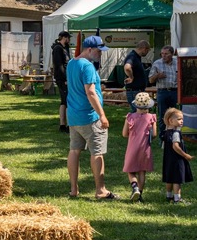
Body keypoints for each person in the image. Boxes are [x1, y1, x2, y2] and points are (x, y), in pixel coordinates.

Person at [67, 35, 118, 200]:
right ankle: (100, 190)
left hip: (73, 116)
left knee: (74, 151)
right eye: (98, 50)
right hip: (89, 116)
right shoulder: (87, 66)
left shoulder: (71, 63)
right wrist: (102, 115)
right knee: (97, 152)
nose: (101, 53)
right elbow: (90, 92)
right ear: (89, 49)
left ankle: (74, 189)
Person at [122, 92, 157, 203]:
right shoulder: (151, 117)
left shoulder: (130, 117)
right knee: (142, 171)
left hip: (132, 147)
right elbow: (155, 134)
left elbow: (124, 134)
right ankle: (140, 195)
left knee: (131, 171)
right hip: (145, 148)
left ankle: (135, 187)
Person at [162, 108, 193, 204]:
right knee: (177, 179)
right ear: (171, 121)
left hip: (168, 159)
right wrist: (185, 155)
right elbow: (175, 146)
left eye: (182, 119)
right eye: (179, 119)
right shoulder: (176, 133)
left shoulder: (166, 133)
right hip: (177, 159)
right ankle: (177, 199)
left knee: (169, 178)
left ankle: (169, 195)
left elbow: (164, 146)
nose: (182, 121)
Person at [149, 45, 178, 139]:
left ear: (172, 54)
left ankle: (175, 136)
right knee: (162, 115)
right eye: (162, 54)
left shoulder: (178, 62)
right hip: (162, 92)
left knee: (176, 114)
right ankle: (163, 138)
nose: (163, 56)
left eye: (166, 54)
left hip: (175, 92)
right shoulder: (157, 63)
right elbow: (150, 80)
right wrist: (157, 76)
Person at [52, 31, 72, 133]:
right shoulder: (58, 49)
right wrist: (65, 79)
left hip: (66, 77)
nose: (69, 40)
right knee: (68, 101)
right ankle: (67, 125)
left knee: (64, 101)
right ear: (64, 37)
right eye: (68, 38)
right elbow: (59, 65)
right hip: (62, 79)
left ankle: (63, 125)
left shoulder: (65, 48)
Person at [123, 40, 151, 113]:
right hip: (134, 91)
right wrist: (131, 77)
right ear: (144, 48)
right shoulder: (132, 56)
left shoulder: (136, 57)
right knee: (138, 114)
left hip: (137, 90)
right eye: (148, 50)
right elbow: (127, 67)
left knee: (140, 114)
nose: (147, 52)